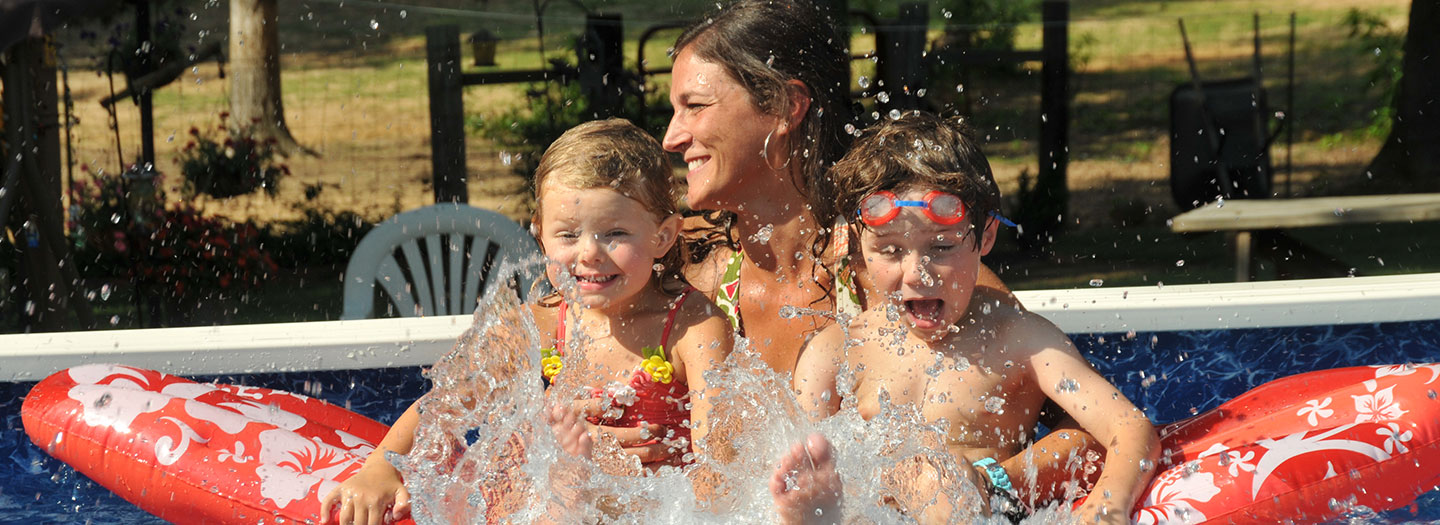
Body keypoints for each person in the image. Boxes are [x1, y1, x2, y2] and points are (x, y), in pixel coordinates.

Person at [657, 0, 1106, 505]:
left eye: (694, 106)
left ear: (785, 107)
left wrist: (987, 483)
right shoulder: (689, 267)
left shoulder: (897, 266)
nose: (672, 137)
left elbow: (1092, 436)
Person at [319, 119, 733, 524]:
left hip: (651, 509)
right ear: (540, 237)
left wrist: (622, 482)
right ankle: (572, 483)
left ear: (662, 235)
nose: (589, 253)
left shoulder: (692, 328)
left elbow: (724, 471)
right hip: (552, 505)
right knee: (537, 470)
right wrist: (381, 468)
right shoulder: (541, 323)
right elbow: (448, 403)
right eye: (568, 235)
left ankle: (578, 485)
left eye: (615, 233)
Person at [780, 113, 1160, 524]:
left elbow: (1130, 428)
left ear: (987, 236)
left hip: (983, 509)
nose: (915, 273)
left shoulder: (1022, 340)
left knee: (938, 481)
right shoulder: (838, 350)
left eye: (941, 247)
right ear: (858, 243)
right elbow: (795, 462)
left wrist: (1108, 504)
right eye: (889, 251)